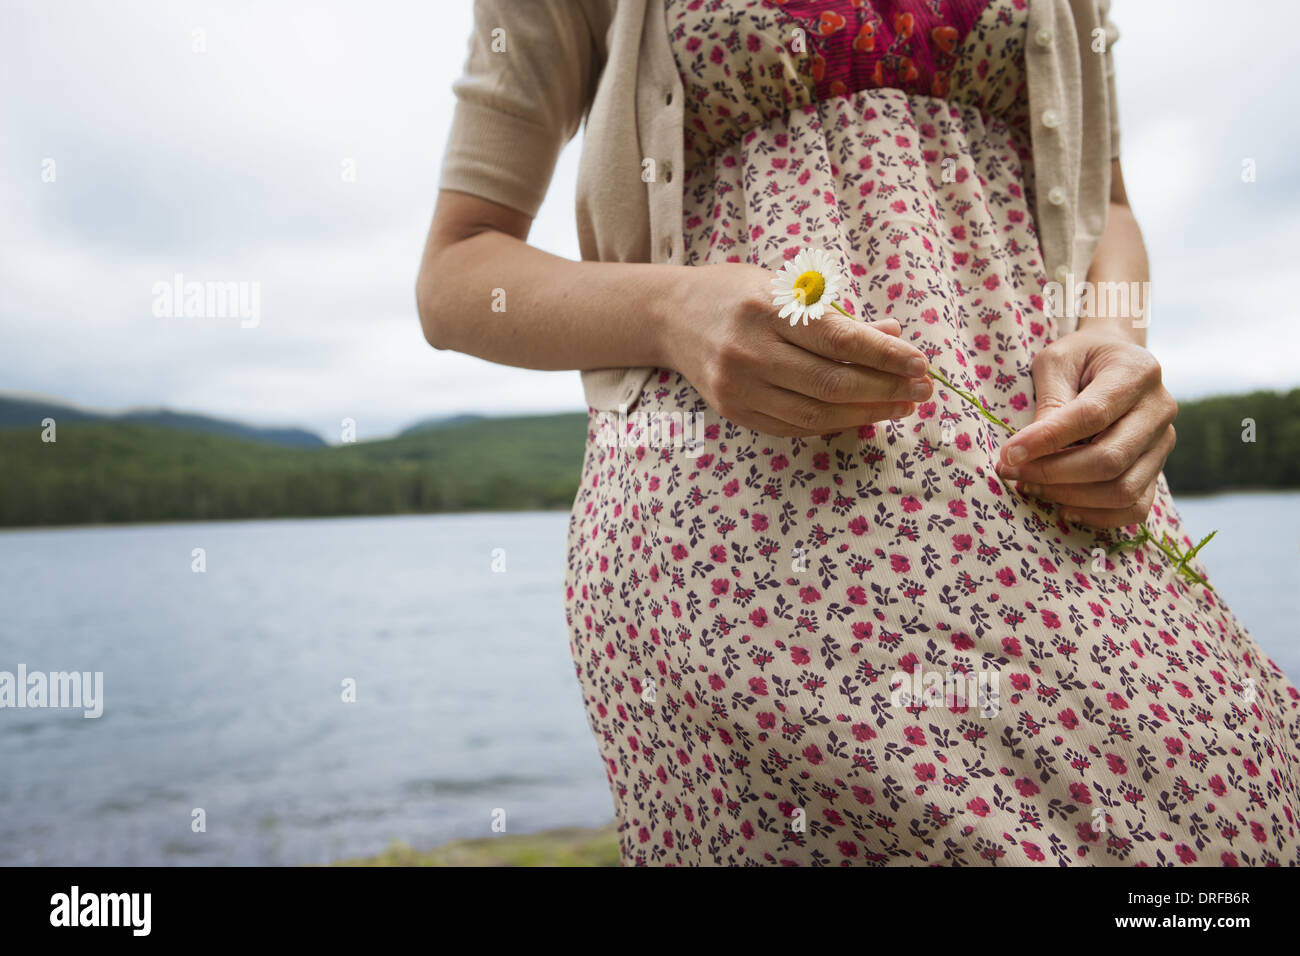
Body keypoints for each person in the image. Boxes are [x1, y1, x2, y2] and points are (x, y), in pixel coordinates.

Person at [419, 0, 1300, 866]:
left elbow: (1108, 208)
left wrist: (1117, 338)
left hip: (1062, 498)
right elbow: (459, 271)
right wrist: (668, 307)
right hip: (739, 558)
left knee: (1239, 817)